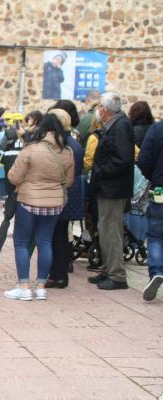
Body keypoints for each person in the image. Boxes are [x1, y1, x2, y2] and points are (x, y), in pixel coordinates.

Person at [6, 113, 74, 301]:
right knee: (45, 242)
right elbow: (68, 181)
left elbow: (14, 177)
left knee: (21, 243)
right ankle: (41, 287)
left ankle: (24, 287)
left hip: (28, 201)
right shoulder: (67, 151)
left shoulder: (31, 149)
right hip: (54, 203)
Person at [88, 93, 135, 290]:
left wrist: (100, 171)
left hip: (113, 187)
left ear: (105, 109)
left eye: (99, 106)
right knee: (105, 229)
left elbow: (123, 158)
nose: (98, 110)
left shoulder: (121, 126)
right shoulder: (114, 125)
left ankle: (117, 275)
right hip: (108, 186)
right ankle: (108, 269)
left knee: (111, 230)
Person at [45, 109, 84, 289]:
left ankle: (58, 274)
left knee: (57, 237)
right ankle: (58, 273)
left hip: (64, 196)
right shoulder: (71, 142)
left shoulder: (66, 145)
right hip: (68, 196)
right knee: (59, 236)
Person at [137, 120, 163, 300]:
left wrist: (154, 177)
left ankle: (157, 271)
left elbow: (144, 160)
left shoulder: (157, 129)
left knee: (155, 234)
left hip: (160, 189)